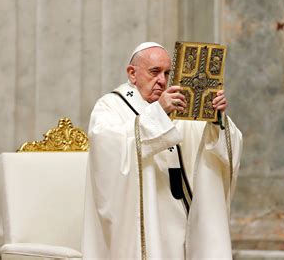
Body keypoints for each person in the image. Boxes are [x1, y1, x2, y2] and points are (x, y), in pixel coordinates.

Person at [81, 42, 243, 259]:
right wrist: (159, 113)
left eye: (167, 73)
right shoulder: (110, 106)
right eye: (154, 72)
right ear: (132, 73)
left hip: (184, 216)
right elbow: (108, 151)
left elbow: (219, 147)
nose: (162, 80)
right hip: (146, 218)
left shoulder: (180, 105)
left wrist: (215, 119)